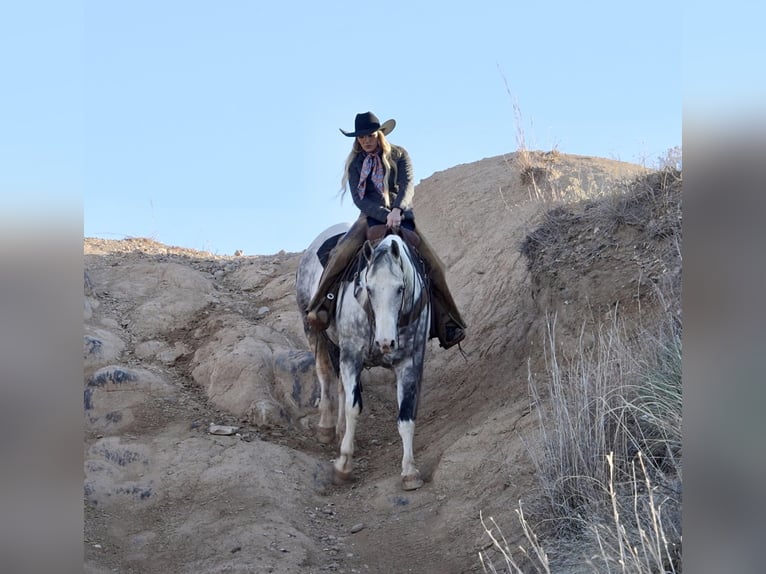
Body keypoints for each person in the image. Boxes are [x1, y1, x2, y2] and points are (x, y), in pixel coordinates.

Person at [306, 111, 466, 349]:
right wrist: (383, 214)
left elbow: (407, 185)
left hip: (402, 216)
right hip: (369, 217)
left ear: (379, 134)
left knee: (435, 265)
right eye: (361, 138)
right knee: (341, 254)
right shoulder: (355, 163)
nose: (366, 141)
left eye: (370, 135)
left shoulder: (400, 155)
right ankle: (320, 307)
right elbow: (360, 199)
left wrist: (398, 210)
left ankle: (448, 322)